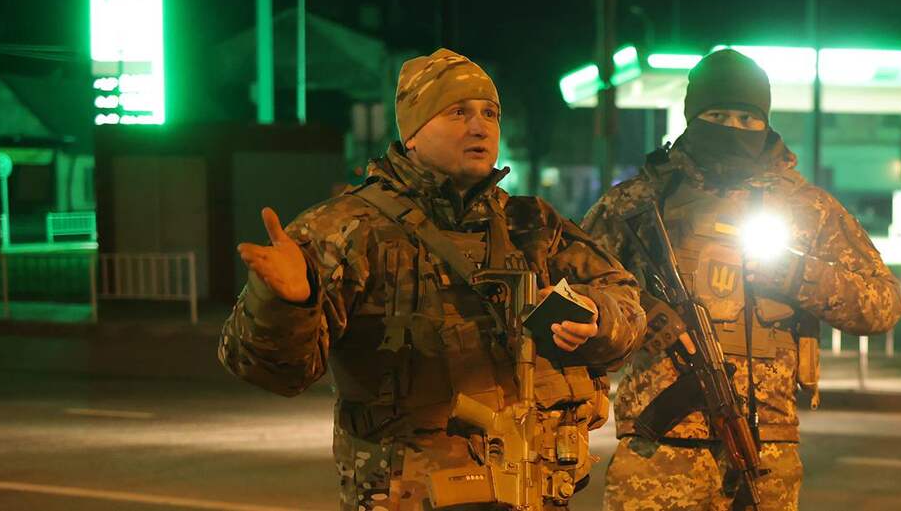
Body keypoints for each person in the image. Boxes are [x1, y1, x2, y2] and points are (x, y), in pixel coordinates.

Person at [219, 48, 646, 510]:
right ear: (413, 133)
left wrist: (597, 316)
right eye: (458, 112)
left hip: (532, 492)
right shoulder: (349, 229)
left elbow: (625, 305)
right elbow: (268, 370)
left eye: (490, 113)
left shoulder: (532, 226)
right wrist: (285, 303)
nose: (480, 127)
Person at [582, 49, 901, 511]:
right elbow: (574, 292)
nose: (732, 128)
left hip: (764, 446)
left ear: (765, 122)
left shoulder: (806, 208)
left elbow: (883, 305)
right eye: (717, 115)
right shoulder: (638, 203)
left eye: (747, 118)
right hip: (658, 449)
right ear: (693, 117)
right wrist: (635, 312)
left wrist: (797, 274)